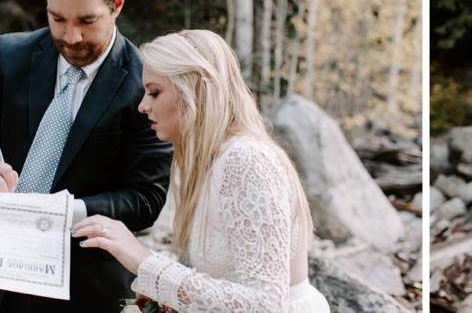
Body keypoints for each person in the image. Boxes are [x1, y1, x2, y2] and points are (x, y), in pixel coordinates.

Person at [0, 0, 172, 312]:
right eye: (57, 18)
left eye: (87, 20)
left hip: (89, 290)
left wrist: (61, 213)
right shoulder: (9, 55)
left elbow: (145, 197)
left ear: (117, 4)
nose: (70, 36)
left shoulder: (146, 83)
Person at [71, 30, 329, 312]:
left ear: (193, 90)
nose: (143, 106)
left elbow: (266, 304)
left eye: (155, 92)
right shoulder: (215, 162)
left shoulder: (246, 160)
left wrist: (145, 261)